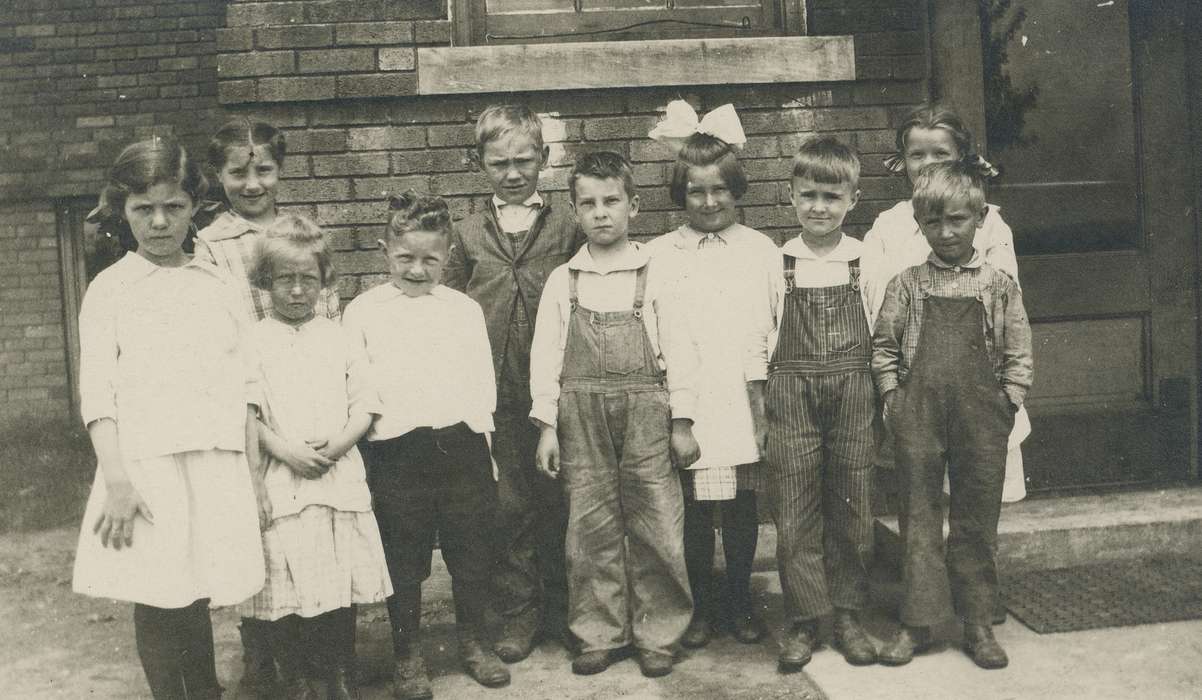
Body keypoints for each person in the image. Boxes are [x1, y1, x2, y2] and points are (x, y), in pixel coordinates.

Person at [72, 137, 266, 699]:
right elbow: (98, 395)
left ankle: (204, 693)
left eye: (173, 207)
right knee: (158, 592)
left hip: (212, 459)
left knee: (199, 587)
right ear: (122, 211)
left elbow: (246, 385)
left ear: (193, 206)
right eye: (143, 209)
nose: (160, 222)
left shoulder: (218, 283)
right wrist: (117, 480)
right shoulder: (111, 289)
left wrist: (250, 472)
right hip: (144, 467)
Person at [529, 150, 700, 678]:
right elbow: (546, 356)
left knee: (657, 523)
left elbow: (681, 348)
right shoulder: (566, 279)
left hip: (648, 408)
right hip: (580, 414)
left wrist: (682, 421)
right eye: (588, 203)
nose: (600, 213)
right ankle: (598, 632)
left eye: (611, 201)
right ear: (574, 212)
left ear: (634, 205)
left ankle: (659, 632)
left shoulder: (657, 271)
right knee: (589, 526)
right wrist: (547, 427)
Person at [345, 191, 509, 699]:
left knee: (471, 550)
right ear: (384, 250)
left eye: (430, 259)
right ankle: (408, 655)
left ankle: (475, 642)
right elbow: (358, 383)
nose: (417, 270)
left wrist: (483, 444)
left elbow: (483, 381)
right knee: (403, 558)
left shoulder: (461, 310)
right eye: (405, 258)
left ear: (449, 256)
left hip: (459, 446)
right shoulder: (364, 311)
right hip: (396, 452)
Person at [871, 159, 1033, 669]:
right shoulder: (907, 285)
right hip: (918, 413)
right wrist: (892, 397)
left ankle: (978, 621)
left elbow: (1018, 351)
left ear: (979, 219)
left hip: (981, 414)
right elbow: (884, 348)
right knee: (918, 517)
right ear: (919, 224)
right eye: (933, 223)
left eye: (957, 221)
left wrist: (1009, 398)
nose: (945, 233)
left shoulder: (998, 285)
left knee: (976, 519)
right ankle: (918, 623)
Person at [442, 104, 583, 663]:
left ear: (544, 160)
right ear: (480, 164)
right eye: (498, 162)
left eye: (524, 160)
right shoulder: (467, 233)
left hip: (558, 390)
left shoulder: (569, 225)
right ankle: (520, 613)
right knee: (509, 506)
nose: (513, 172)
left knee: (564, 501)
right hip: (495, 394)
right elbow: (447, 308)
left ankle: (568, 611)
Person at [240, 214, 392, 699]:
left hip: (335, 475)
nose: (298, 291)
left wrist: (340, 443)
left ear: (324, 281)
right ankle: (300, 677)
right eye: (286, 279)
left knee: (337, 581)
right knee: (289, 582)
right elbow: (247, 413)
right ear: (266, 281)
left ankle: (339, 673)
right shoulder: (252, 341)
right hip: (284, 478)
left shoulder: (339, 334)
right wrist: (285, 450)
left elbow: (366, 402)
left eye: (308, 279)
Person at [644, 100, 776, 649]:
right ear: (681, 195)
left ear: (736, 188)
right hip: (689, 403)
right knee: (696, 511)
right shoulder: (659, 255)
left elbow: (776, 323)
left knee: (742, 508)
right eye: (696, 191)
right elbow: (653, 330)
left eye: (719, 189)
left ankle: (740, 601)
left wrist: (765, 396)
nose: (709, 201)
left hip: (744, 396)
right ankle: (698, 605)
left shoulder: (762, 251)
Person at [746, 136, 878, 670]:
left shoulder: (865, 260)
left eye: (830, 196)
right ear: (790, 196)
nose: (819, 207)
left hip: (853, 394)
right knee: (795, 511)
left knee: (853, 508)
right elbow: (757, 342)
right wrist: (761, 412)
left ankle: (847, 615)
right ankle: (804, 619)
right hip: (791, 396)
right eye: (808, 196)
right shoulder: (778, 264)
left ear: (853, 199)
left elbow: (883, 335)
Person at [860, 103, 1028, 504]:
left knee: (977, 499)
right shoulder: (888, 227)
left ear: (962, 158)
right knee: (923, 499)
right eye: (917, 154)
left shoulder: (989, 223)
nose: (928, 163)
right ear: (902, 162)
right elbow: (873, 305)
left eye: (941, 154)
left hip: (977, 382)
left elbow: (1006, 306)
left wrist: (1004, 395)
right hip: (915, 382)